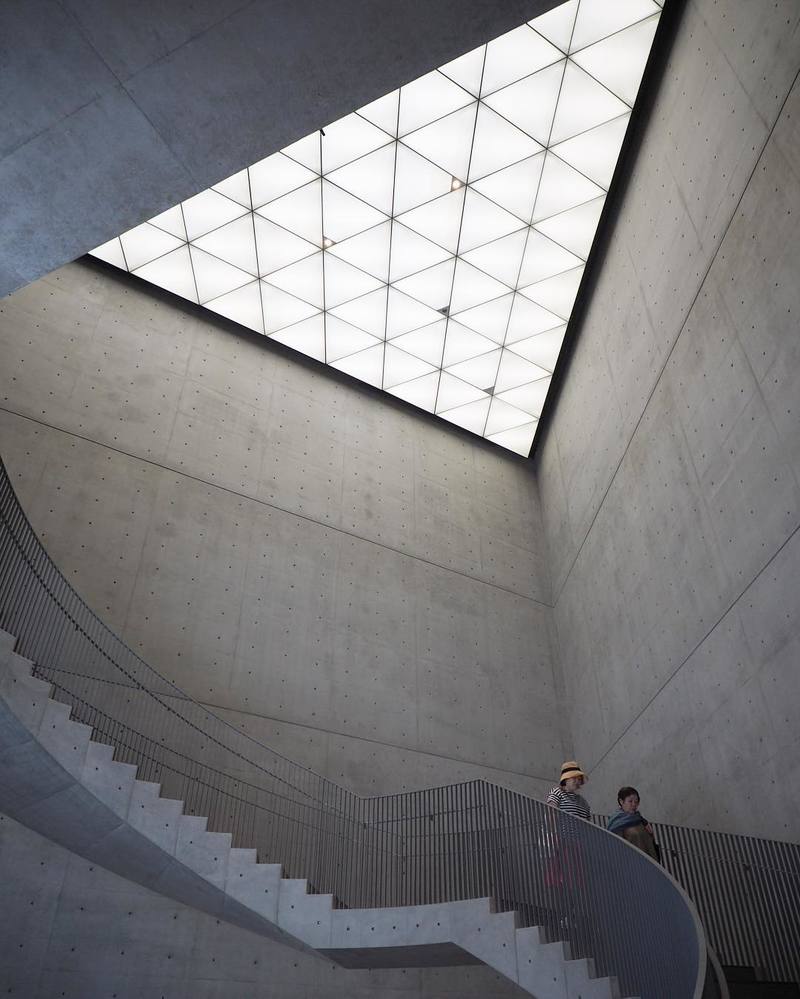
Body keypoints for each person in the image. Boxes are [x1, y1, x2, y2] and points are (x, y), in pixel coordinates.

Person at [607, 786, 660, 861]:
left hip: (652, 863)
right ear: (621, 801)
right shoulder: (616, 824)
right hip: (634, 866)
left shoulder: (640, 820)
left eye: (636, 801)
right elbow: (616, 850)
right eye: (630, 801)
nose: (634, 804)